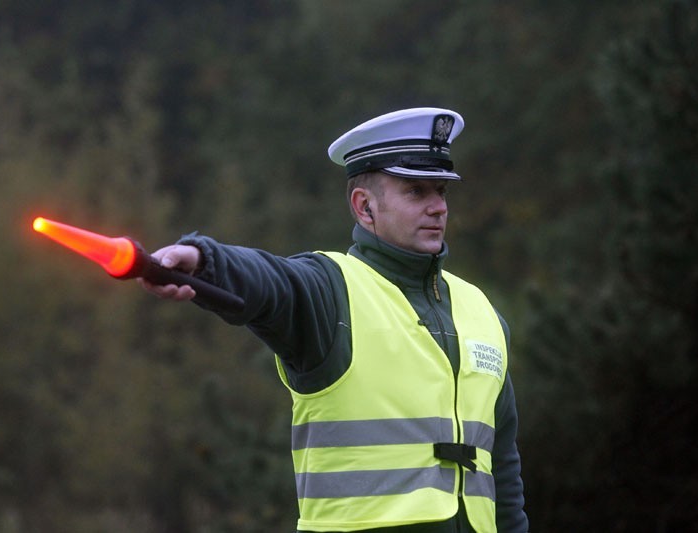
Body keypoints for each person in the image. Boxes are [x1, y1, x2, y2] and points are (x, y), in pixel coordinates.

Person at [140, 108, 529, 533]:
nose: (438, 207)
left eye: (442, 191)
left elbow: (503, 472)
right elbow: (271, 282)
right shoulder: (330, 290)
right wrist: (204, 262)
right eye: (416, 192)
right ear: (364, 208)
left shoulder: (482, 312)